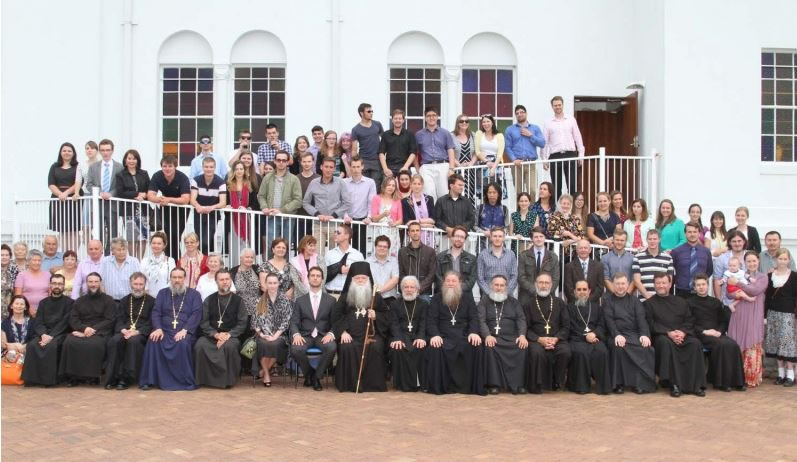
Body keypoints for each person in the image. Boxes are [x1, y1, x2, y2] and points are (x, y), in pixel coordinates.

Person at [138, 267, 203, 391]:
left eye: (180, 277)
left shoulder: (194, 294)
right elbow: (156, 312)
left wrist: (185, 330)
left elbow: (196, 314)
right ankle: (149, 380)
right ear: (170, 278)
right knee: (153, 340)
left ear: (184, 278)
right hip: (164, 330)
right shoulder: (163, 293)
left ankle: (183, 381)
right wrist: (158, 328)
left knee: (182, 343)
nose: (177, 280)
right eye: (174, 277)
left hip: (185, 331)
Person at [645, 273, 707, 397]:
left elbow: (689, 319)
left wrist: (682, 332)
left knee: (695, 343)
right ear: (654, 285)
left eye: (664, 283)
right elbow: (650, 324)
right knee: (666, 344)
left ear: (670, 284)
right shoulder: (649, 303)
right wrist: (669, 333)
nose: (661, 285)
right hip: (662, 335)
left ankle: (695, 385)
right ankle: (673, 384)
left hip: (681, 334)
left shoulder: (680, 301)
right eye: (658, 283)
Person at [332, 261, 389, 392]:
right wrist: (343, 332)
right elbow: (336, 316)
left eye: (363, 278)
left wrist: (376, 316)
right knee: (346, 346)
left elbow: (386, 315)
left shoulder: (376, 297)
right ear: (352, 280)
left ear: (368, 279)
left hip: (370, 335)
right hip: (350, 335)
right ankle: (348, 384)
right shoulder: (345, 297)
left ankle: (372, 385)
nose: (360, 281)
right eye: (357, 278)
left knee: (376, 346)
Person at [425, 271, 484, 395]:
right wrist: (435, 335)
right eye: (448, 281)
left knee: (476, 346)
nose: (451, 283)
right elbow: (431, 320)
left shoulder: (467, 298)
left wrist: (473, 332)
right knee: (435, 347)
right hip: (443, 335)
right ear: (444, 283)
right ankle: (441, 386)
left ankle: (469, 386)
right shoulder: (436, 298)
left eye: (454, 281)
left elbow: (474, 318)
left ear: (459, 283)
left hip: (463, 335)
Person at [687, 274, 746, 391]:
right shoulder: (689, 303)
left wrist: (719, 331)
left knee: (733, 345)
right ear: (694, 287)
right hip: (700, 334)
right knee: (722, 345)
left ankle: (737, 382)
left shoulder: (715, 302)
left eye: (703, 284)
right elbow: (689, 322)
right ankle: (722, 383)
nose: (701, 287)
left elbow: (723, 320)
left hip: (717, 333)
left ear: (707, 285)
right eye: (698, 285)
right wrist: (705, 331)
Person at [602, 272, 656, 393]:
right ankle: (619, 383)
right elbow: (609, 321)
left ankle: (640, 383)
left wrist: (644, 334)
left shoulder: (635, 301)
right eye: (617, 284)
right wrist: (617, 335)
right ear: (613, 285)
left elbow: (641, 319)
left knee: (646, 348)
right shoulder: (608, 301)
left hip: (634, 334)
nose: (620, 286)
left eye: (623, 283)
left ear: (627, 284)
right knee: (618, 348)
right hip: (616, 334)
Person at [194, 268, 248, 389]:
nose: (225, 282)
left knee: (229, 347)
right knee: (200, 345)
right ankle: (204, 379)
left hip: (231, 336)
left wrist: (228, 335)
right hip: (211, 335)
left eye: (227, 279)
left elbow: (242, 322)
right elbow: (204, 322)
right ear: (216, 282)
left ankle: (227, 381)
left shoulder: (238, 301)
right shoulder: (209, 300)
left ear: (231, 281)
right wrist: (216, 335)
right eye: (222, 280)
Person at [59, 272, 115, 386]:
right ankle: (73, 377)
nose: (93, 284)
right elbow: (73, 319)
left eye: (96, 281)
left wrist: (92, 330)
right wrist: (84, 329)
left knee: (94, 344)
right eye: (90, 282)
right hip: (81, 330)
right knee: (70, 342)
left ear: (100, 283)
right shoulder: (79, 301)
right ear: (86, 283)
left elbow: (110, 319)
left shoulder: (108, 300)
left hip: (100, 332)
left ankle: (92, 377)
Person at [103, 272, 155, 390]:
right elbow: (119, 318)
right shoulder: (124, 300)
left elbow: (151, 321)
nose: (138, 287)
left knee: (133, 341)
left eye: (141, 284)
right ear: (130, 284)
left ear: (145, 285)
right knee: (115, 341)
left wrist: (137, 332)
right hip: (125, 331)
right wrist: (123, 330)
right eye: (135, 284)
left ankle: (127, 378)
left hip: (141, 332)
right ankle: (113, 378)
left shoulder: (152, 301)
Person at [479, 275, 529, 395]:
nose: (499, 288)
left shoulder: (514, 302)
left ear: (506, 287)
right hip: (492, 336)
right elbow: (481, 320)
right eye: (496, 285)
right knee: (490, 347)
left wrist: (522, 335)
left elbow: (521, 319)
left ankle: (518, 384)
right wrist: (487, 335)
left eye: (502, 285)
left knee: (522, 347)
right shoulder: (484, 301)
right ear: (491, 286)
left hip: (512, 337)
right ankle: (494, 385)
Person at [20, 275, 72, 386]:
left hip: (60, 333)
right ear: (50, 285)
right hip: (43, 333)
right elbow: (38, 321)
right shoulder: (43, 302)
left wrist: (51, 336)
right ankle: (32, 380)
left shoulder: (70, 302)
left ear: (63, 286)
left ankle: (48, 381)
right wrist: (43, 334)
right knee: (32, 345)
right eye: (54, 283)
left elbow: (65, 322)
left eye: (59, 284)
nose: (57, 286)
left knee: (51, 346)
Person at [290, 266, 337, 391]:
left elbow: (336, 322)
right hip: (305, 336)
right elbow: (294, 321)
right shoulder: (300, 300)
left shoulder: (331, 300)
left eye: (318, 276)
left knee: (331, 347)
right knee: (296, 349)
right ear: (308, 278)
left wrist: (331, 334)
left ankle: (316, 377)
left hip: (323, 336)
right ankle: (309, 374)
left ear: (322, 279)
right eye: (313, 276)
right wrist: (296, 335)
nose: (315, 278)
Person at [524, 272, 571, 394]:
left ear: (551, 285)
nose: (543, 285)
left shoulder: (559, 303)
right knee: (536, 352)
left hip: (556, 339)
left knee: (564, 351)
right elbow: (526, 328)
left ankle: (557, 382)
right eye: (541, 282)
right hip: (536, 339)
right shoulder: (528, 304)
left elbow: (566, 326)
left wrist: (556, 339)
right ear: (535, 284)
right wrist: (539, 339)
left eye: (546, 283)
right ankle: (538, 384)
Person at [726, 251, 766, 387]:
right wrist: (735, 292)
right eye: (749, 261)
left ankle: (751, 378)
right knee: (736, 342)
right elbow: (729, 293)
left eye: (754, 261)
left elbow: (755, 291)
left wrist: (738, 284)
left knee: (752, 342)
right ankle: (737, 378)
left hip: (754, 314)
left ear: (758, 261)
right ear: (745, 263)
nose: (752, 263)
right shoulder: (739, 274)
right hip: (738, 313)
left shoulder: (762, 277)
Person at [566, 280, 611, 394]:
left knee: (602, 351)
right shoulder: (569, 308)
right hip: (576, 339)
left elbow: (602, 324)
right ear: (574, 292)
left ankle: (603, 387)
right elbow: (569, 327)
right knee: (581, 352)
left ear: (589, 291)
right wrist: (585, 337)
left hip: (594, 337)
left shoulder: (597, 307)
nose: (582, 292)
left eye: (584, 289)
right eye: (579, 290)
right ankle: (581, 386)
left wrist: (594, 334)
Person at [251, 272, 293, 387]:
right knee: (263, 344)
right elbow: (254, 321)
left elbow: (287, 320)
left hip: (280, 335)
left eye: (275, 283)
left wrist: (275, 336)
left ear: (279, 284)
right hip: (262, 335)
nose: (272, 285)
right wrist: (262, 334)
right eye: (270, 283)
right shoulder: (259, 300)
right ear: (265, 284)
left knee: (275, 345)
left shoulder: (285, 300)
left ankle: (263, 371)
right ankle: (266, 374)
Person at [304, 157, 352, 253]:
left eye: (331, 167)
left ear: (334, 169)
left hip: (335, 224)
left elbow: (347, 203)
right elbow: (305, 203)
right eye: (326, 167)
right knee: (317, 254)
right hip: (318, 224)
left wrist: (333, 215)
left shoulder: (340, 183)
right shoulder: (314, 183)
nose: (328, 170)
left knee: (335, 253)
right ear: (321, 167)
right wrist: (317, 214)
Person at [388, 276, 428, 392]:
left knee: (421, 348)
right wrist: (397, 338)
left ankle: (419, 383)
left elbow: (424, 323)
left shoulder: (423, 304)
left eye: (412, 287)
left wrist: (421, 337)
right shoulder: (395, 304)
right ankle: (401, 384)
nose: (409, 290)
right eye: (406, 287)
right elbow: (393, 323)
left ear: (417, 289)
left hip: (417, 336)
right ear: (401, 289)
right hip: (400, 336)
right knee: (397, 348)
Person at [147, 155, 191, 259]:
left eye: (170, 166)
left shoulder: (182, 178)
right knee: (168, 235)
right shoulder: (157, 176)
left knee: (175, 235)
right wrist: (160, 199)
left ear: (175, 166)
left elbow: (185, 199)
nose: (167, 168)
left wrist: (169, 200)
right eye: (164, 166)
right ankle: (168, 260)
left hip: (181, 209)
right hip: (165, 208)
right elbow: (150, 195)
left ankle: (175, 261)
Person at [541, 96, 584, 200]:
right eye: (555, 105)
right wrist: (544, 159)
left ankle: (573, 208)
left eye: (559, 105)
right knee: (556, 186)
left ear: (563, 105)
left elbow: (578, 137)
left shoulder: (571, 119)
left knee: (572, 185)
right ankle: (557, 208)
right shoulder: (548, 122)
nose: (557, 107)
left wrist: (581, 155)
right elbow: (545, 142)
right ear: (552, 107)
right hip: (555, 156)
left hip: (571, 154)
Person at [764, 249, 797, 387]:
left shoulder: (794, 276)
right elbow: (767, 297)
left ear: (788, 260)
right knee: (776, 343)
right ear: (776, 259)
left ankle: (790, 375)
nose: (782, 261)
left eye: (785, 259)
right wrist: (764, 315)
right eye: (780, 258)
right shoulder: (770, 275)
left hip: (788, 313)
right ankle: (780, 374)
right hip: (773, 313)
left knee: (787, 344)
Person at [257, 150, 302, 249]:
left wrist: (281, 210)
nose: (281, 162)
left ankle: (285, 261)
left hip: (288, 217)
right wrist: (264, 207)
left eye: (284, 160)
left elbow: (298, 200)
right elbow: (261, 195)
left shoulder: (294, 179)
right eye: (278, 160)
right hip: (271, 217)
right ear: (275, 161)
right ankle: (271, 260)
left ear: (287, 162)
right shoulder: (267, 178)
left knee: (286, 245)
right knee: (271, 245)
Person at [85, 139, 123, 253]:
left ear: (112, 151)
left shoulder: (119, 167)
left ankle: (110, 255)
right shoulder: (93, 167)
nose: (105, 153)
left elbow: (121, 185)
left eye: (108, 150)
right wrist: (99, 193)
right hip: (98, 204)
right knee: (98, 231)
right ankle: (99, 255)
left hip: (113, 204)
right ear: (99, 151)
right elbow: (89, 184)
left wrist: (111, 194)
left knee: (113, 232)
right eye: (102, 150)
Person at [113, 149, 150, 259]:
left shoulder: (144, 173)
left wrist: (144, 195)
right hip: (128, 210)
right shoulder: (120, 175)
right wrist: (137, 194)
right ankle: (133, 260)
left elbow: (150, 189)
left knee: (143, 237)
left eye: (134, 159)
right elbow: (120, 192)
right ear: (125, 160)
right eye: (129, 158)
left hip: (143, 210)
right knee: (132, 238)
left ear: (138, 160)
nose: (131, 161)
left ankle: (140, 261)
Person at [415, 106, 456, 200]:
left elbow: (450, 150)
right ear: (425, 118)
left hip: (443, 166)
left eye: (434, 115)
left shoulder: (445, 133)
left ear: (437, 117)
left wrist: (451, 168)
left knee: (444, 194)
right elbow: (415, 154)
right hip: (426, 167)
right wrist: (418, 170)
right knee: (429, 194)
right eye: (428, 116)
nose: (431, 118)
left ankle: (443, 211)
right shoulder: (419, 134)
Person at [47, 142, 82, 251]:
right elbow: (51, 184)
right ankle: (64, 253)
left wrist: (66, 193)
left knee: (74, 228)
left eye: (69, 151)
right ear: (60, 152)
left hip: (73, 200)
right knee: (62, 228)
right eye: (64, 150)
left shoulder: (78, 166)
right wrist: (60, 194)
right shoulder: (54, 166)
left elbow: (79, 182)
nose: (67, 153)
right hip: (58, 200)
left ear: (73, 153)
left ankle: (73, 253)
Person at [190, 157, 227, 255]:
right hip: (199, 213)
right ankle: (204, 260)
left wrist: (212, 207)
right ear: (202, 167)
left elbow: (223, 203)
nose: (208, 169)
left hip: (213, 214)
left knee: (206, 240)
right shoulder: (196, 180)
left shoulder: (221, 182)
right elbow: (192, 199)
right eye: (206, 167)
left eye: (211, 167)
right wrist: (198, 206)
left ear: (215, 168)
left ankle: (205, 260)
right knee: (199, 239)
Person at [504, 104, 545, 194]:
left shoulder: (535, 128)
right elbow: (508, 147)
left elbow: (542, 143)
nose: (519, 114)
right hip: (517, 165)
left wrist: (530, 135)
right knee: (519, 192)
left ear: (526, 113)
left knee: (532, 190)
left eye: (522, 112)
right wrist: (514, 159)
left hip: (531, 164)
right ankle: (519, 205)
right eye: (517, 113)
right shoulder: (510, 130)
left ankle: (532, 204)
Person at [518, 227, 560, 307]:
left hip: (547, 296)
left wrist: (545, 291)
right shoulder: (523, 256)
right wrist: (535, 290)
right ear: (532, 239)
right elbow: (521, 277)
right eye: (536, 237)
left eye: (541, 236)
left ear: (545, 238)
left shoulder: (553, 257)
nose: (539, 239)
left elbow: (556, 279)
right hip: (527, 296)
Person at [226, 160, 259, 263]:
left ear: (245, 170)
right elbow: (224, 201)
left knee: (246, 245)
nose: (239, 171)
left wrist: (247, 209)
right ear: (233, 171)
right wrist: (227, 206)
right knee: (233, 244)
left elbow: (255, 203)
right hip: (232, 219)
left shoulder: (250, 184)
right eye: (237, 169)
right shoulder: (228, 185)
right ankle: (234, 266)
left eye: (241, 169)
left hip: (247, 219)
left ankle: (247, 265)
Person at [344, 156, 377, 253]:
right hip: (347, 222)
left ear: (362, 167)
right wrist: (345, 215)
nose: (356, 170)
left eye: (358, 167)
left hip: (362, 222)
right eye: (353, 167)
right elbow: (342, 201)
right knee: (345, 251)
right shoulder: (344, 182)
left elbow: (372, 202)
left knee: (360, 251)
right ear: (350, 167)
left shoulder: (370, 183)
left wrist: (369, 217)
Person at [670, 222, 714, 297]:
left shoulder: (706, 252)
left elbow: (709, 271)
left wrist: (700, 283)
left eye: (695, 232)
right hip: (681, 292)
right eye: (689, 232)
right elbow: (671, 271)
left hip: (700, 292)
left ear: (699, 234)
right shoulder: (676, 252)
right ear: (685, 234)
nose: (692, 234)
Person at [398, 221, 437, 302]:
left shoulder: (430, 251)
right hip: (407, 291)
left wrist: (419, 288)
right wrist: (408, 287)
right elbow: (401, 273)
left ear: (421, 232)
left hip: (423, 292)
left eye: (417, 230)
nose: (415, 233)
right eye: (412, 231)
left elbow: (431, 274)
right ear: (408, 233)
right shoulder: (402, 252)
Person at [632, 229, 674, 301]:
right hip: (644, 299)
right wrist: (647, 296)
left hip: (662, 299)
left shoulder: (668, 258)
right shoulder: (637, 257)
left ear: (659, 240)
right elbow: (636, 281)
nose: (652, 241)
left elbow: (669, 281)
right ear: (646, 240)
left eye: (655, 239)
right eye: (650, 239)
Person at [324, 224, 364, 298]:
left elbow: (362, 276)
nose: (335, 234)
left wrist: (352, 271)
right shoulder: (329, 254)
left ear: (347, 236)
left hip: (350, 295)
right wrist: (337, 269)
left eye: (338, 233)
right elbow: (324, 274)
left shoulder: (358, 255)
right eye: (335, 232)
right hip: (331, 294)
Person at [435, 225, 477, 293]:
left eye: (462, 237)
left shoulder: (472, 259)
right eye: (457, 236)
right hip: (444, 294)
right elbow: (438, 277)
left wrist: (458, 288)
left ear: (465, 240)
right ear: (452, 237)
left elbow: (471, 280)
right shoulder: (440, 257)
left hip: (464, 294)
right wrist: (448, 288)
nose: (459, 239)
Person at [476, 227, 517, 297]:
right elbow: (480, 278)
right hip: (488, 296)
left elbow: (514, 276)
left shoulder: (511, 254)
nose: (497, 239)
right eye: (495, 236)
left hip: (507, 296)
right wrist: (490, 293)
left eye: (500, 236)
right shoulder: (482, 255)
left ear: (504, 238)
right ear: (490, 238)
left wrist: (506, 292)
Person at [351, 103, 385, 186]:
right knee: (363, 185)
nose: (371, 113)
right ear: (362, 113)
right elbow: (354, 149)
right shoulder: (355, 129)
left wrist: (384, 157)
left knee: (376, 185)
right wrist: (355, 164)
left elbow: (385, 140)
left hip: (377, 161)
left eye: (372, 111)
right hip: (364, 161)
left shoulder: (377, 124)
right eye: (369, 111)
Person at [474, 114, 507, 201]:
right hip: (483, 164)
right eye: (484, 122)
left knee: (496, 192)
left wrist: (493, 168)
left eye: (488, 121)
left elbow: (500, 154)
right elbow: (477, 151)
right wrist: (486, 162)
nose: (486, 124)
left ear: (492, 123)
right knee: (484, 192)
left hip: (496, 164)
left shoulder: (499, 135)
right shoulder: (479, 134)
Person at [368, 176, 403, 257]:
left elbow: (400, 220)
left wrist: (395, 223)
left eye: (393, 185)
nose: (391, 187)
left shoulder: (397, 200)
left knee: (392, 256)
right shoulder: (376, 198)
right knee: (378, 254)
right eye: (389, 185)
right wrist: (383, 215)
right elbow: (374, 218)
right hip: (378, 231)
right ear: (384, 186)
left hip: (392, 232)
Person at [563, 239, 605, 304]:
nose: (583, 250)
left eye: (585, 248)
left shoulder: (599, 266)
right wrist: (578, 301)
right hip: (574, 304)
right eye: (580, 248)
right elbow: (568, 288)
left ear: (590, 250)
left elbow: (600, 287)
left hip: (592, 304)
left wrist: (588, 301)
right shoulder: (569, 266)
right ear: (577, 250)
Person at [379, 109, 416, 179]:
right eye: (395, 118)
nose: (397, 120)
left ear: (403, 120)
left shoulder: (410, 134)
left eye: (400, 118)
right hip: (389, 167)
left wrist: (405, 167)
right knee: (387, 185)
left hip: (404, 167)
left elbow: (413, 153)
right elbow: (381, 153)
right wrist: (385, 169)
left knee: (406, 185)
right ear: (392, 120)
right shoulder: (386, 134)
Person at [401, 174, 436, 247]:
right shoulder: (405, 201)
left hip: (428, 236)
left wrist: (417, 222)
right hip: (411, 236)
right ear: (411, 185)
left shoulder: (429, 199)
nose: (416, 186)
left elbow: (433, 219)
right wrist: (424, 224)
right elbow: (406, 221)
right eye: (414, 184)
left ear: (422, 185)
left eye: (419, 184)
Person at [712, 231, 749, 302]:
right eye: (734, 241)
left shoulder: (750, 256)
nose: (737, 244)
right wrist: (719, 301)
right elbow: (717, 280)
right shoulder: (722, 258)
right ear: (729, 242)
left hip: (747, 299)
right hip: (728, 300)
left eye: (739, 241)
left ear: (744, 241)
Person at [2, 296, 35, 369]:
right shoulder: (5, 323)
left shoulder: (32, 322)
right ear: (11, 306)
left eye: (22, 304)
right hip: (10, 353)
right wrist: (15, 345)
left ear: (25, 307)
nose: (19, 306)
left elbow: (35, 339)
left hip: (28, 352)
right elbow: (3, 343)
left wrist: (25, 346)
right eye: (16, 303)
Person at [14, 250, 50, 316]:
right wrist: (29, 309)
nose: (37, 262)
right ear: (28, 261)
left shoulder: (48, 275)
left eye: (39, 260)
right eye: (34, 260)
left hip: (45, 310)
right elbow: (18, 296)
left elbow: (50, 294)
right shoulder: (21, 275)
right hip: (25, 310)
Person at [140, 232, 176, 298]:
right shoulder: (144, 261)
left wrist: (164, 294)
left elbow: (172, 279)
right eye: (153, 243)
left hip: (165, 297)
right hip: (148, 297)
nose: (156, 246)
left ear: (164, 245)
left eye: (159, 243)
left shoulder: (170, 261)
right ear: (150, 244)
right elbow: (141, 279)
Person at [547, 193, 584, 258]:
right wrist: (570, 235)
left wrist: (571, 241)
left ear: (571, 205)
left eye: (568, 204)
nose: (566, 206)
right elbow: (552, 231)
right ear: (560, 204)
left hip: (574, 253)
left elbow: (581, 236)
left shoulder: (575, 219)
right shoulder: (553, 217)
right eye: (564, 203)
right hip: (558, 251)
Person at [290, 235, 326, 299]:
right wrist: (308, 293)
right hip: (300, 296)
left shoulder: (320, 259)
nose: (313, 248)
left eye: (314, 246)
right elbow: (296, 281)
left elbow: (323, 277)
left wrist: (315, 292)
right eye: (311, 246)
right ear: (303, 246)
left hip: (318, 294)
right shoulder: (294, 261)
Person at [451, 114, 478, 202]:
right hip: (457, 170)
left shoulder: (473, 135)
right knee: (458, 193)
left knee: (470, 193)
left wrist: (471, 163)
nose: (464, 123)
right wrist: (459, 165)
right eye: (461, 121)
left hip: (470, 171)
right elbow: (449, 153)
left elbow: (477, 152)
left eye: (466, 121)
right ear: (457, 123)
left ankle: (470, 210)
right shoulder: (451, 136)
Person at [367, 236, 400, 305]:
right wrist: (374, 292)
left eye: (385, 247)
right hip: (372, 298)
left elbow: (395, 279)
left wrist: (380, 290)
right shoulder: (367, 262)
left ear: (388, 249)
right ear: (375, 247)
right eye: (379, 246)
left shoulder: (394, 261)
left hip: (390, 299)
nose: (382, 248)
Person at [296, 152, 321, 242]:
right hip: (299, 216)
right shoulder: (296, 178)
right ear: (301, 162)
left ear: (313, 162)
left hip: (315, 217)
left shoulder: (319, 178)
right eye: (304, 161)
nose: (306, 164)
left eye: (309, 161)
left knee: (313, 244)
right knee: (300, 243)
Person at [230, 249, 261, 318]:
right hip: (239, 311)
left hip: (257, 312)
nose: (249, 259)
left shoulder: (257, 269)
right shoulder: (233, 271)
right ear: (241, 258)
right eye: (247, 257)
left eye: (251, 257)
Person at [601, 230, 635, 295]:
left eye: (622, 240)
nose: (619, 242)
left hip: (628, 296)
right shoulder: (605, 258)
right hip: (611, 297)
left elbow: (634, 279)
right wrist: (617, 294)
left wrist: (626, 295)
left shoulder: (633, 258)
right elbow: (606, 279)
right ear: (613, 240)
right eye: (617, 240)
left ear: (625, 241)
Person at [2, 244, 17, 317]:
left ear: (10, 256)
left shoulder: (15, 269)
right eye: (2, 255)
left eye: (6, 255)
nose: (4, 257)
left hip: (10, 307)